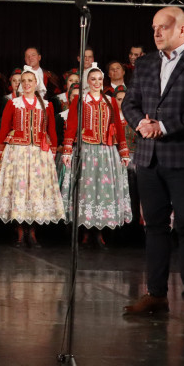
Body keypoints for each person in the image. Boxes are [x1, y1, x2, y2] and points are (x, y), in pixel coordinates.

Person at [121, 6, 184, 324]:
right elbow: (129, 102)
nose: (156, 33)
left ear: (182, 30)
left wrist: (163, 126)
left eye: (163, 27)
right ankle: (156, 294)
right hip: (148, 156)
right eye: (153, 28)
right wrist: (140, 124)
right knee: (155, 227)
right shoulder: (146, 62)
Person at [0, 70, 65, 247]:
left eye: (30, 80)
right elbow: (4, 129)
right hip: (18, 152)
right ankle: (20, 231)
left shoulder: (46, 105)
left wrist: (52, 151)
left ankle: (32, 231)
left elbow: (51, 131)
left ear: (36, 82)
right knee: (19, 190)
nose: (27, 84)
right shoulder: (13, 103)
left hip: (39, 153)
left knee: (35, 191)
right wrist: (0, 151)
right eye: (23, 81)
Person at [62, 67, 132, 247]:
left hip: (106, 152)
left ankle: (99, 231)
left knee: (102, 191)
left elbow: (118, 126)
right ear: (88, 81)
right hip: (86, 149)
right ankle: (85, 231)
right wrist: (68, 149)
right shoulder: (80, 100)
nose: (96, 82)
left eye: (99, 79)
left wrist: (123, 152)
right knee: (87, 191)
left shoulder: (110, 101)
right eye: (93, 79)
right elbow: (71, 125)